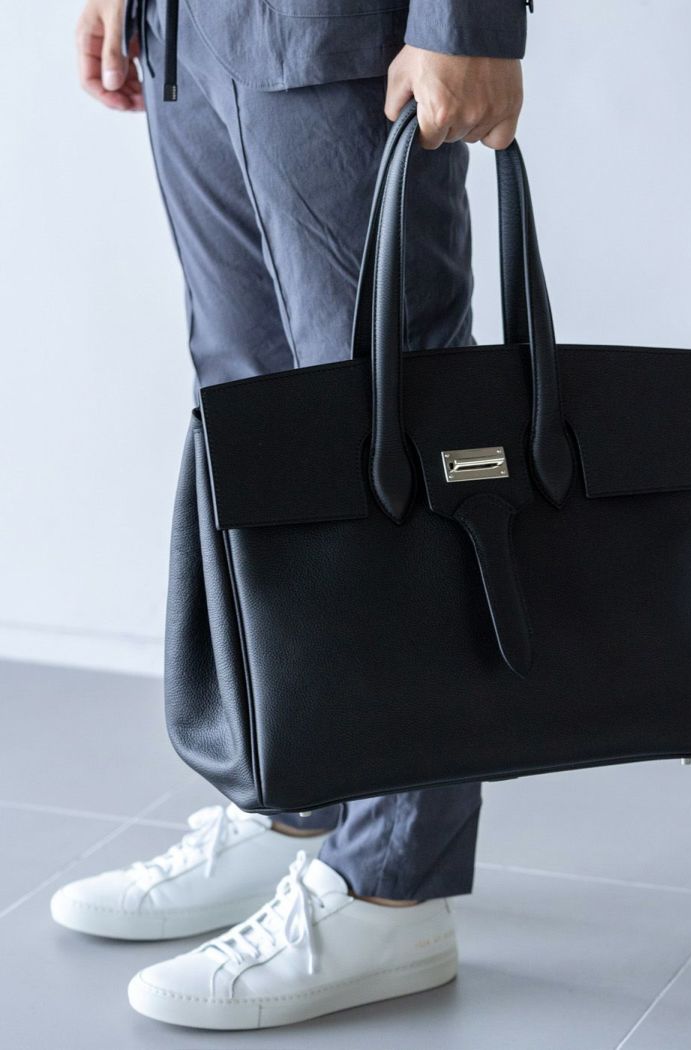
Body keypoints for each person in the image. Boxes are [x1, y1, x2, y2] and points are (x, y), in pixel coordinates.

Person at [52, 0, 527, 1032]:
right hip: (185, 32)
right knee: (252, 417)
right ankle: (297, 798)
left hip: (344, 32)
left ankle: (394, 882)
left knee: (389, 423)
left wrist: (469, 20)